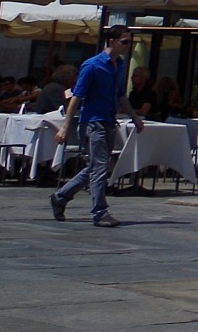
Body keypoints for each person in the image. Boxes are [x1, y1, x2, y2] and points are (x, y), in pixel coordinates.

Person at [52, 25, 142, 227]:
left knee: (95, 167)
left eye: (130, 42)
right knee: (99, 167)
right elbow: (77, 97)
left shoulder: (120, 65)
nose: (128, 46)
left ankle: (60, 197)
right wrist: (65, 126)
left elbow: (121, 95)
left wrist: (134, 117)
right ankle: (100, 212)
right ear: (112, 41)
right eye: (125, 42)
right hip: (93, 122)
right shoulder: (92, 65)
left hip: (109, 121)